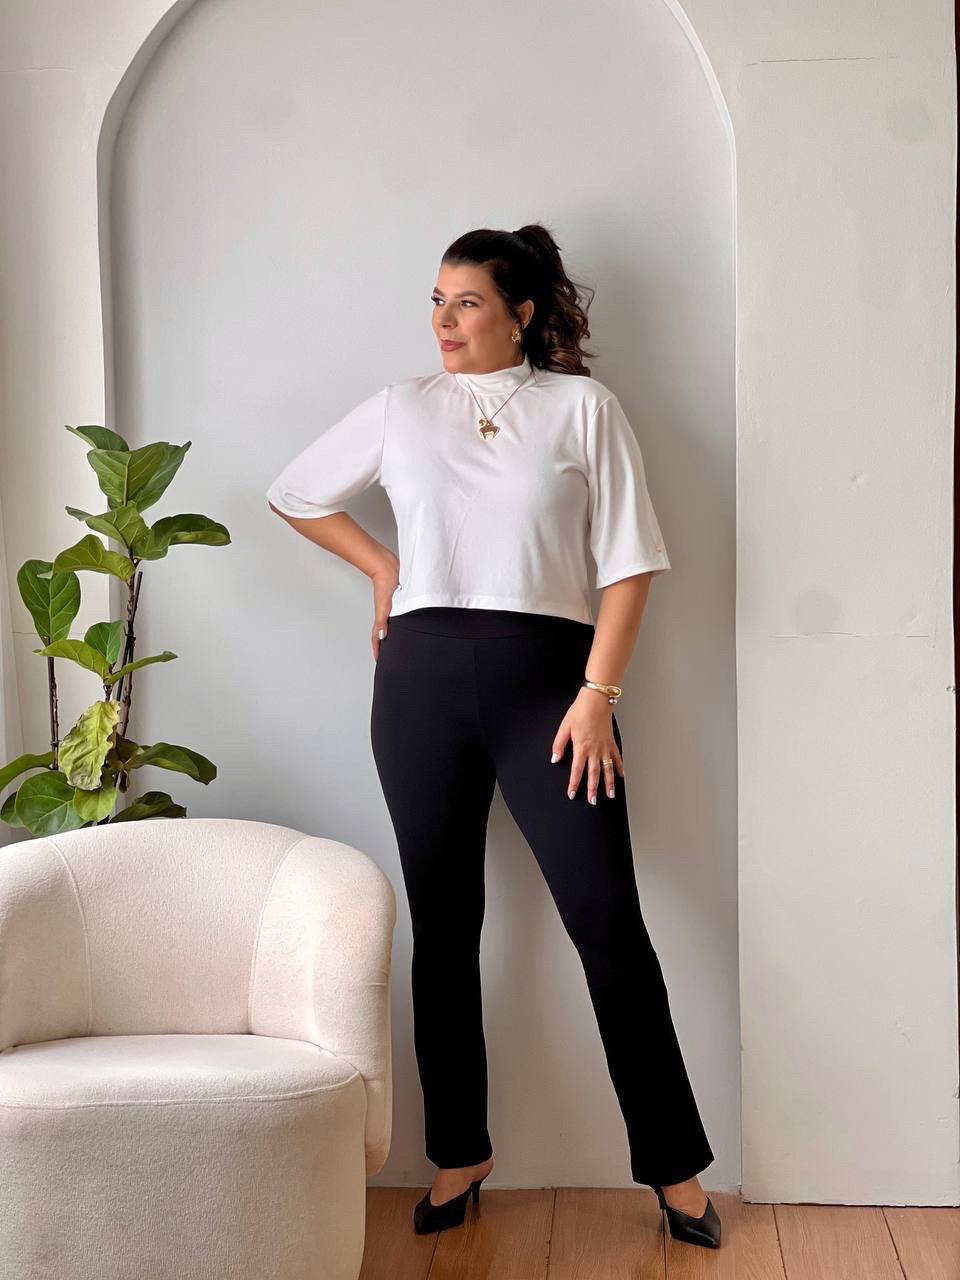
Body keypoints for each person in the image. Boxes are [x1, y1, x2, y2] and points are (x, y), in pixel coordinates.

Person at [266, 224, 721, 1251]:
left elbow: (630, 562)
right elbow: (294, 491)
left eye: (465, 301)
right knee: (444, 927)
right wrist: (384, 569)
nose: (443, 320)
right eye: (435, 300)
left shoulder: (583, 409)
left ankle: (675, 1164)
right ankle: (459, 1153)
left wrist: (598, 693)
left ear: (520, 312)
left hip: (551, 691)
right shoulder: (402, 407)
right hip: (419, 684)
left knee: (607, 921)